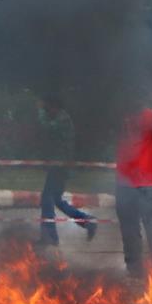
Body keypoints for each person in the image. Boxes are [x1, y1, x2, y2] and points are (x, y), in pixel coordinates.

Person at [115, 98, 152, 277]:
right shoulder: (119, 118)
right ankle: (134, 272)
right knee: (129, 232)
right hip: (125, 184)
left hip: (148, 184)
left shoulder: (150, 117)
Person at [37, 96, 96, 245]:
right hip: (59, 165)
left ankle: (49, 236)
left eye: (47, 108)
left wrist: (40, 112)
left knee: (47, 198)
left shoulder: (62, 119)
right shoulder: (62, 118)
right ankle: (87, 221)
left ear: (54, 106)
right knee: (56, 199)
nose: (47, 110)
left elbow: (47, 127)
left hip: (59, 166)